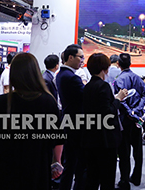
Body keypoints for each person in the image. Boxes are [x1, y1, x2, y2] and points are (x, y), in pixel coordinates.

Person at [0, 53, 63, 189]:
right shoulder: (48, 101)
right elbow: (57, 138)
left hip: (4, 172)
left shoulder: (0, 103)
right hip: (37, 171)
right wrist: (57, 162)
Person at [82, 53, 128, 190]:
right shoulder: (104, 86)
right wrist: (118, 99)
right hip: (105, 140)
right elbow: (107, 112)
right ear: (104, 68)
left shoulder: (87, 87)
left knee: (92, 177)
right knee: (107, 179)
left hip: (91, 137)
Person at [55, 44, 86, 190]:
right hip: (76, 124)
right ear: (70, 57)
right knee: (77, 163)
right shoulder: (72, 78)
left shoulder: (62, 74)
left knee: (70, 162)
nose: (82, 61)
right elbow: (86, 98)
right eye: (81, 57)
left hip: (69, 121)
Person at [114, 53, 145, 189]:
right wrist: (136, 112)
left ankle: (124, 180)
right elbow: (144, 96)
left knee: (124, 152)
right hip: (137, 119)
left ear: (118, 64)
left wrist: (129, 113)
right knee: (138, 151)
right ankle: (137, 178)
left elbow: (120, 100)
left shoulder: (118, 80)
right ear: (130, 63)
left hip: (124, 120)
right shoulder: (139, 79)